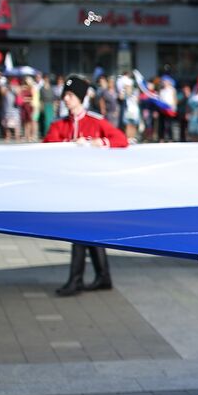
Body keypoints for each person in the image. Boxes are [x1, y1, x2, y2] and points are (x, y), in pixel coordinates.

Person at [43, 76, 129, 295]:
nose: (66, 100)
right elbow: (46, 148)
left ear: (80, 98)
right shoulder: (59, 124)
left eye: (70, 96)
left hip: (92, 187)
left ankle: (76, 280)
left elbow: (121, 140)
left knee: (79, 231)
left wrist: (99, 143)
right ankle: (103, 276)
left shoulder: (95, 121)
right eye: (65, 96)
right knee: (89, 231)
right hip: (71, 186)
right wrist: (69, 145)